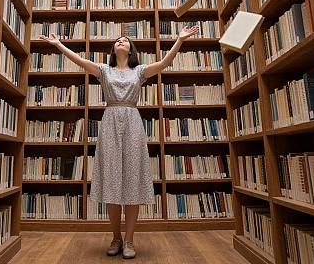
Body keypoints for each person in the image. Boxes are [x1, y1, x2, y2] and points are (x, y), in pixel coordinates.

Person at [39, 25, 199, 259]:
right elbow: (80, 61)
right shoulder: (104, 70)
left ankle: (130, 240)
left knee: (132, 181)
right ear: (114, 50)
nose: (121, 41)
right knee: (113, 182)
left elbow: (164, 63)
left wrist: (180, 40)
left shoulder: (140, 71)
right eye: (118, 40)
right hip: (110, 121)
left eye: (125, 40)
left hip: (133, 121)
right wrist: (59, 45)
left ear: (131, 49)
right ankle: (116, 237)